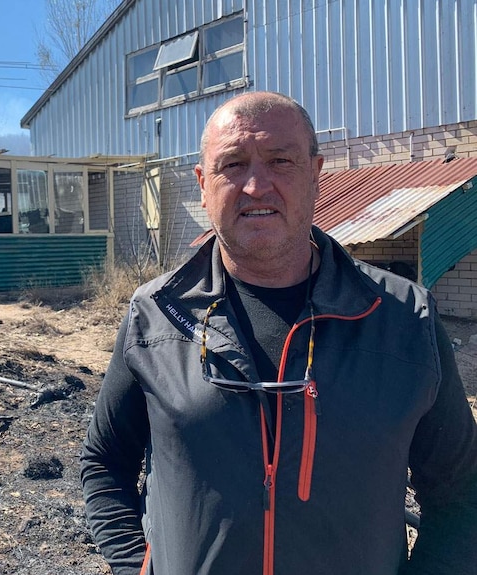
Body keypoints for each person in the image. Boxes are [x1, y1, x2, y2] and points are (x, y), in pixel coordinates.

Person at [80, 91, 477, 575]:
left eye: (280, 160)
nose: (255, 185)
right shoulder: (155, 316)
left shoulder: (403, 320)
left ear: (315, 174)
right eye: (233, 164)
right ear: (203, 186)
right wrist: (138, 566)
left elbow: (462, 495)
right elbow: (104, 463)